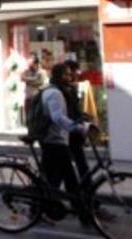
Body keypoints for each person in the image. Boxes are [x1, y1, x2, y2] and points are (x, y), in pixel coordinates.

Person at [39, 63, 91, 212]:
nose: (71, 76)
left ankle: (43, 210)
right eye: (67, 74)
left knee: (55, 178)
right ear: (60, 76)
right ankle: (83, 213)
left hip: (58, 139)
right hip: (55, 140)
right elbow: (58, 117)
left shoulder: (62, 91)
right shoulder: (55, 93)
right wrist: (79, 129)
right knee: (68, 178)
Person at [62, 60, 89, 185]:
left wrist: (83, 117)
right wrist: (78, 126)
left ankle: (84, 189)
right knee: (77, 162)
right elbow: (65, 113)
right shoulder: (63, 90)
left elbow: (74, 110)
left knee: (76, 162)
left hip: (72, 130)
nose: (76, 75)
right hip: (68, 132)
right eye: (73, 72)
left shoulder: (70, 88)